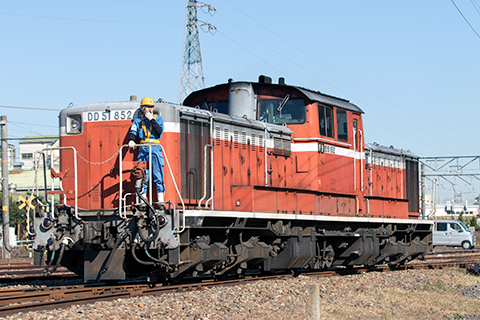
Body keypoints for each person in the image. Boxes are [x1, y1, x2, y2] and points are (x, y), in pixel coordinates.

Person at [128, 97, 165, 203]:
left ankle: (160, 200)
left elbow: (159, 131)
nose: (149, 109)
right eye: (147, 107)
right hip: (143, 150)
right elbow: (133, 132)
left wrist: (151, 119)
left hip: (155, 149)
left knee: (158, 175)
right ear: (142, 109)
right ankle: (142, 200)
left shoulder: (157, 119)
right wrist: (131, 140)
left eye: (151, 107)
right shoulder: (138, 121)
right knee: (143, 175)